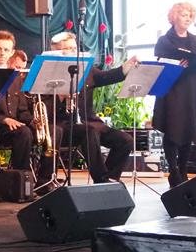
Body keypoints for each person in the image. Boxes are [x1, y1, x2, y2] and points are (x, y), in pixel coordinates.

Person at [49, 32, 138, 184]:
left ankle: (109, 179)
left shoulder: (86, 69)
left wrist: (127, 66)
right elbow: (44, 107)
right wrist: (60, 97)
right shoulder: (48, 73)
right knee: (89, 132)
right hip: (63, 125)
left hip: (89, 122)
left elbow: (107, 77)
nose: (74, 52)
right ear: (56, 52)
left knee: (126, 140)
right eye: (68, 49)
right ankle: (102, 180)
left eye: (75, 48)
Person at [153, 2, 196, 187]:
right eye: (184, 15)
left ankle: (183, 169)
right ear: (174, 17)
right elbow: (159, 63)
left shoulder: (195, 40)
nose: (187, 19)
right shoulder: (165, 40)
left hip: (190, 88)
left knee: (188, 129)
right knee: (172, 129)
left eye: (190, 16)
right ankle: (173, 171)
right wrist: (175, 65)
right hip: (172, 88)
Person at [0, 30, 34, 173]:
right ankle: (21, 177)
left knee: (52, 132)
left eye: (6, 50)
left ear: (12, 52)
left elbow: (22, 110)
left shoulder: (16, 77)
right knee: (24, 133)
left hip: (15, 126)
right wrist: (4, 119)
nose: (2, 53)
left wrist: (34, 121)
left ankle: (44, 178)